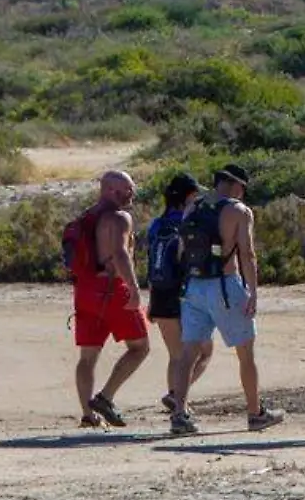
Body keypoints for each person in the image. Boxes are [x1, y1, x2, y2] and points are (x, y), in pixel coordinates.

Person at [168, 164, 284, 435]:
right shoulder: (238, 211)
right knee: (246, 353)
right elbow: (247, 254)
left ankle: (179, 414)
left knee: (187, 353)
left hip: (194, 286)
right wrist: (253, 291)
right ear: (236, 185)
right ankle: (255, 413)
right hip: (224, 285)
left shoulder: (193, 206)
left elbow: (182, 249)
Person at [73, 170, 150, 428]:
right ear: (111, 191)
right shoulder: (119, 218)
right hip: (112, 289)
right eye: (127, 190)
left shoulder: (87, 216)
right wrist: (135, 288)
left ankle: (88, 414)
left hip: (85, 290)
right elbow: (119, 253)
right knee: (140, 347)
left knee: (88, 357)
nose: (132, 195)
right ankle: (105, 397)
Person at [144, 172, 209, 413]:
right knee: (204, 352)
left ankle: (177, 398)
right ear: (189, 196)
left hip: (159, 293)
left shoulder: (157, 224)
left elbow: (152, 261)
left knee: (176, 355)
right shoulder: (188, 222)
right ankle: (177, 396)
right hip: (182, 294)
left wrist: (151, 301)